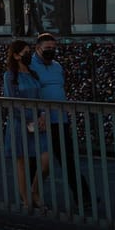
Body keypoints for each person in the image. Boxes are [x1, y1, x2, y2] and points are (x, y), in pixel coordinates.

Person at [32, 33, 92, 211]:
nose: (51, 51)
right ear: (38, 48)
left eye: (53, 48)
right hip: (42, 120)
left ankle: (83, 197)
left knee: (67, 158)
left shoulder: (57, 67)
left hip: (60, 118)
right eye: (47, 49)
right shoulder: (31, 67)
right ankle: (32, 195)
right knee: (39, 161)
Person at [1, 39, 48, 207]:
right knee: (21, 163)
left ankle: (34, 191)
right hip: (19, 123)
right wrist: (28, 118)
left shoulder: (33, 74)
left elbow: (41, 97)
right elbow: (11, 101)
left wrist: (42, 115)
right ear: (15, 56)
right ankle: (26, 199)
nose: (28, 55)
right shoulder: (10, 76)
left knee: (45, 161)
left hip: (37, 122)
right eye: (25, 52)